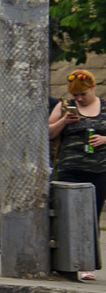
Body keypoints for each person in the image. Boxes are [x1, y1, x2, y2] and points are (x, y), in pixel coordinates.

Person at [48, 69, 106, 281]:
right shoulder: (63, 107)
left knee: (91, 217)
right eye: (75, 96)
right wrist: (64, 121)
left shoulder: (105, 106)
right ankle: (64, 262)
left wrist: (104, 139)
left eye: (83, 94)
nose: (79, 99)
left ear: (93, 88)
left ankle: (86, 264)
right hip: (69, 170)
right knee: (66, 216)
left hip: (99, 171)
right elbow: (47, 132)